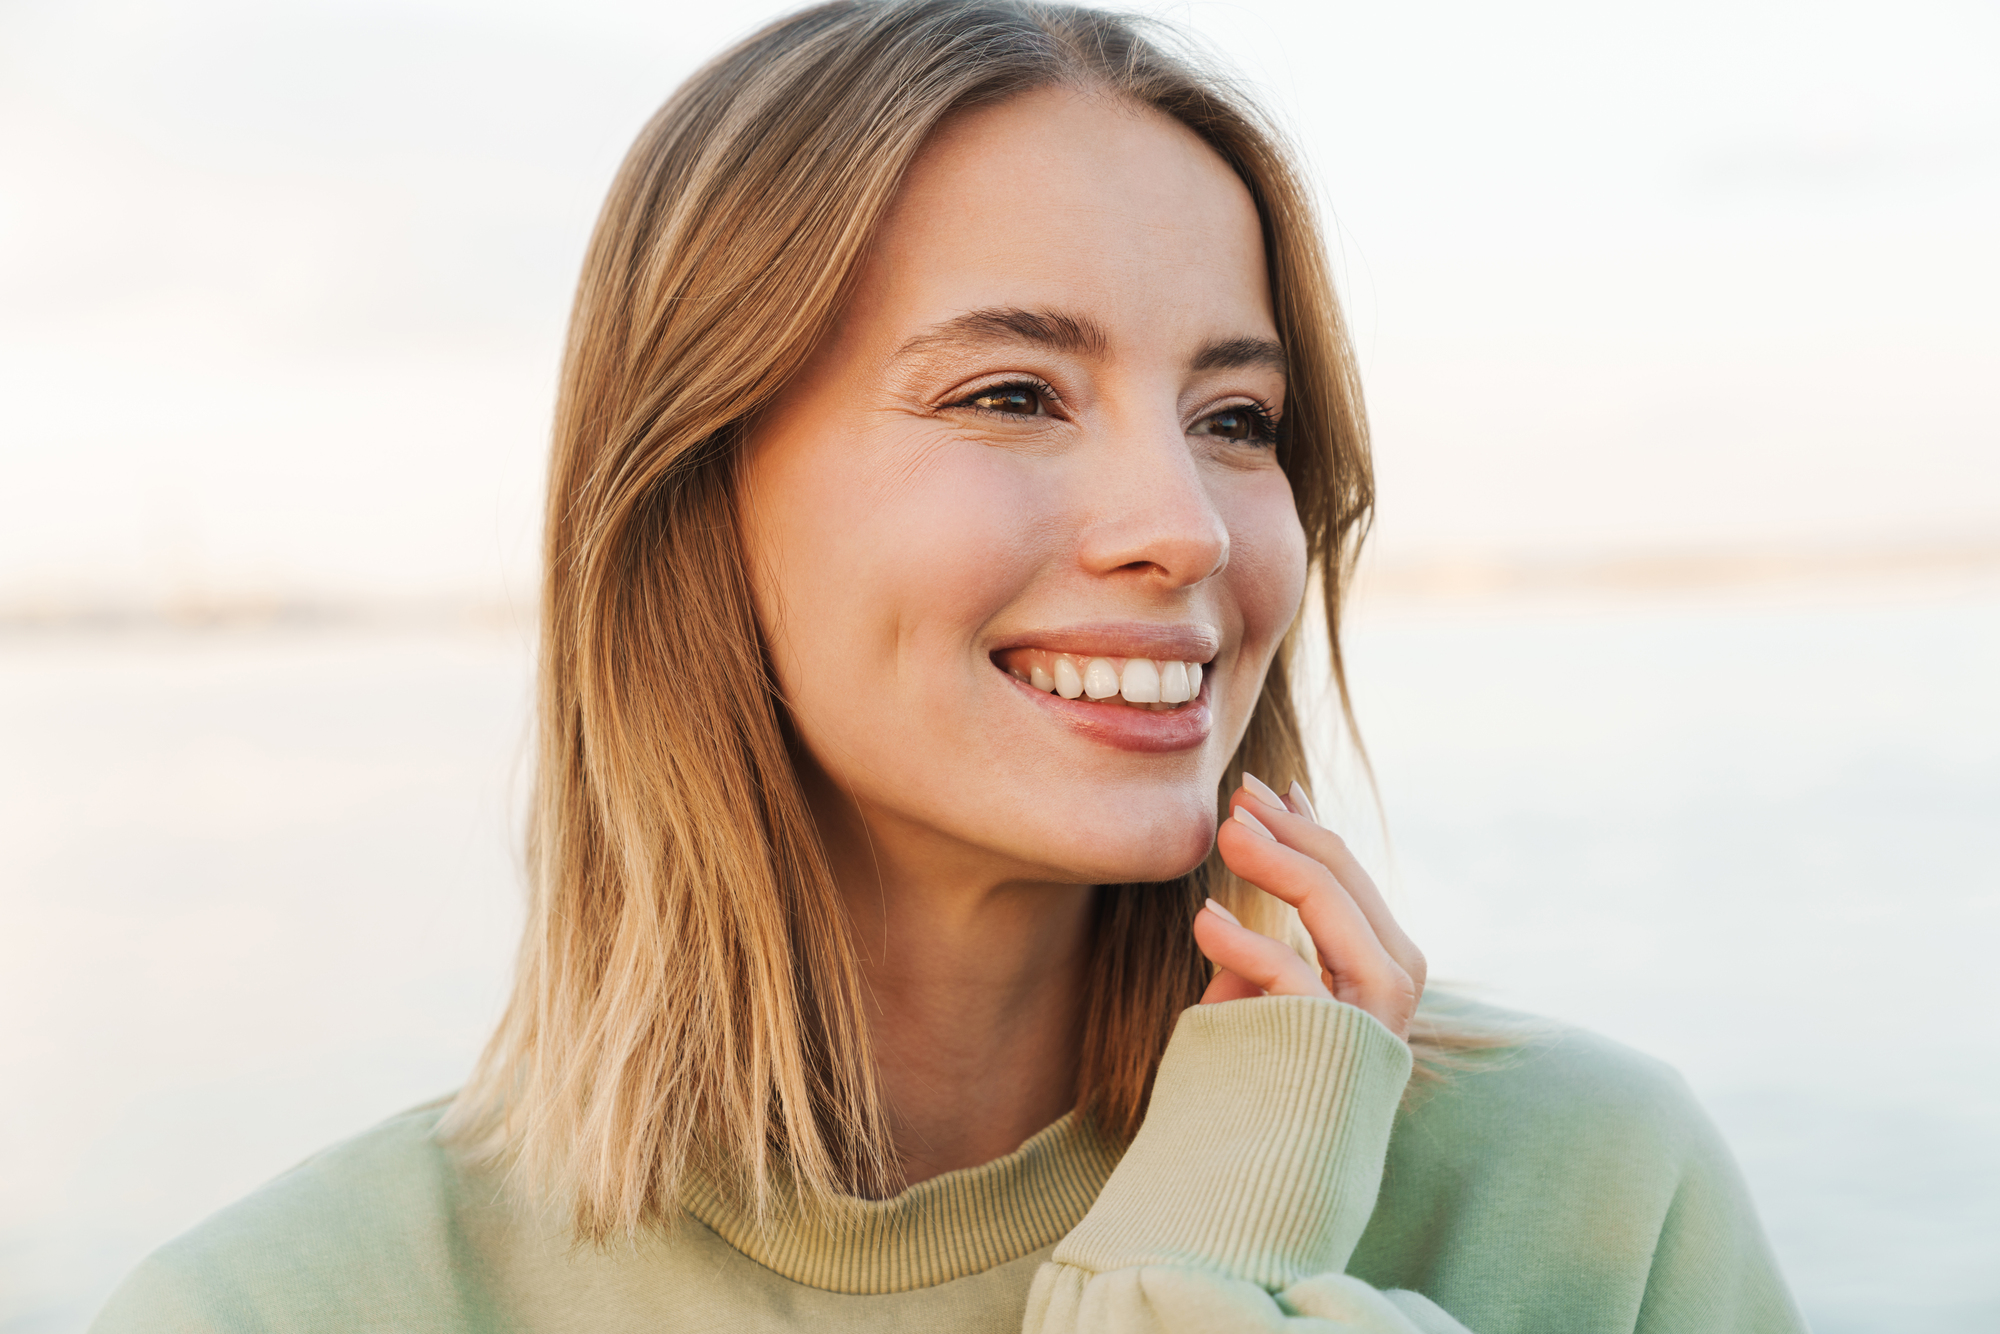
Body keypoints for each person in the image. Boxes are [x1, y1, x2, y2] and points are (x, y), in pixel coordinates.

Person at [91, 2, 1807, 1330]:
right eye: (1010, 393)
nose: (1185, 526)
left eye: (1238, 418)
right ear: (696, 492)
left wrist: (1214, 1267)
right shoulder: (287, 1303)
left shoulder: (1589, 1201)